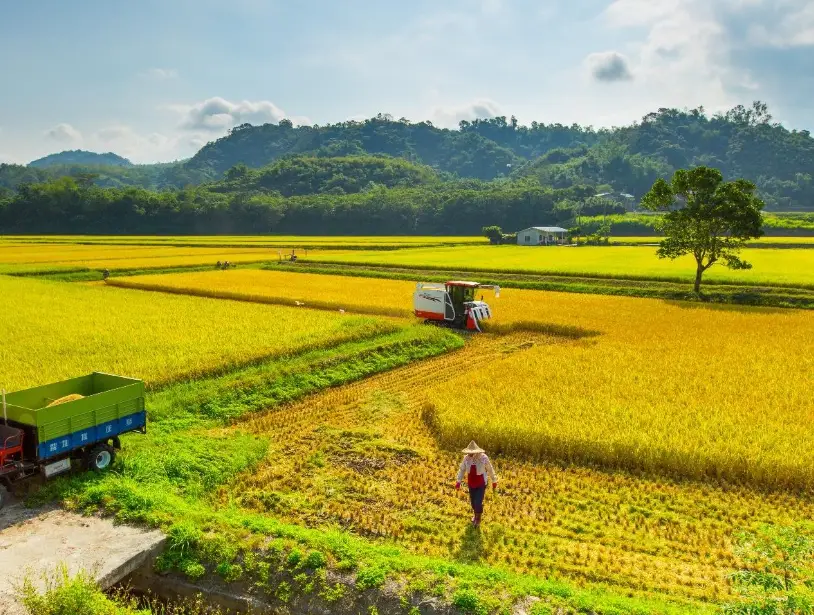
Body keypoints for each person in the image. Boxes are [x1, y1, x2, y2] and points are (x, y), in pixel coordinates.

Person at [455, 441, 497, 527]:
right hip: (471, 483)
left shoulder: (484, 458)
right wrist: (458, 481)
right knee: (473, 502)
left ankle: (478, 518)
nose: (469, 454)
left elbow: (490, 468)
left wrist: (494, 480)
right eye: (468, 453)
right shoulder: (466, 458)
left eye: (471, 453)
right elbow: (462, 469)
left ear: (476, 452)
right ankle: (475, 515)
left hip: (481, 483)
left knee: (478, 502)